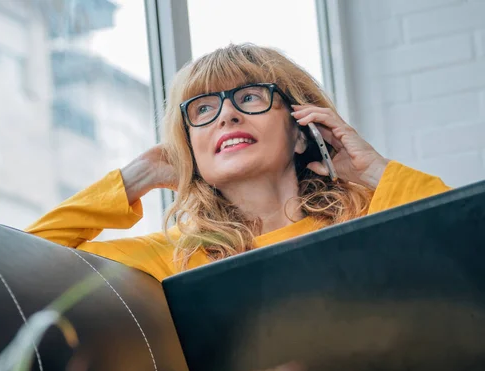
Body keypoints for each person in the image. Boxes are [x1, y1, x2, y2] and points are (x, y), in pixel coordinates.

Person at [26, 43, 451, 282]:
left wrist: (374, 171)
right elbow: (20, 266)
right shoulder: (173, 256)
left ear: (303, 129)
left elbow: (466, 239)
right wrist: (139, 176)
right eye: (203, 108)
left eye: (249, 97)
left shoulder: (375, 216)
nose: (227, 115)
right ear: (189, 148)